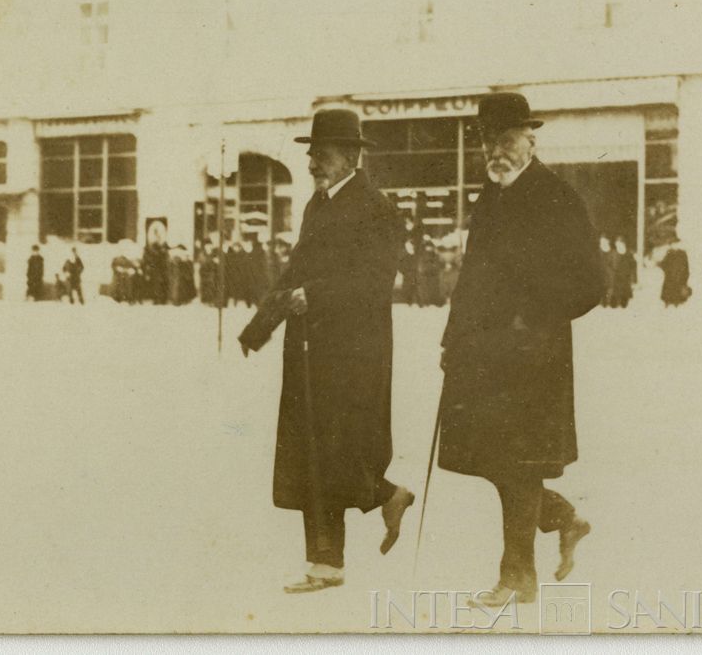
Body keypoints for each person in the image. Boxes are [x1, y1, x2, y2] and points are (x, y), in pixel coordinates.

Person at [239, 108, 415, 594]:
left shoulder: (379, 209)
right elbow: (296, 269)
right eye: (312, 152)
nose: (314, 161)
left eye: (323, 152)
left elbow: (376, 282)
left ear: (352, 155)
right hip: (308, 347)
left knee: (338, 448)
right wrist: (261, 324)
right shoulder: (316, 205)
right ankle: (330, 558)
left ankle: (374, 507)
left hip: (355, 352)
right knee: (311, 450)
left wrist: (316, 296)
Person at [437, 93, 602, 607]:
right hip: (484, 354)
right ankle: (562, 518)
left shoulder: (556, 196)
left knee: (519, 464)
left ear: (531, 139)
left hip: (535, 359)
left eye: (506, 140)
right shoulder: (491, 195)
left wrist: (531, 318)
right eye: (489, 141)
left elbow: (592, 281)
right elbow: (472, 277)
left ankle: (517, 579)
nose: (496, 151)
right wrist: (452, 338)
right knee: (488, 457)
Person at [658, 239, 691, 307]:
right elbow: (664, 263)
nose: (673, 245)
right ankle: (668, 303)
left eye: (675, 244)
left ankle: (676, 304)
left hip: (680, 277)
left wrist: (685, 276)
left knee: (677, 293)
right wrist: (659, 264)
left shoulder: (683, 253)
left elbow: (686, 266)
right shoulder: (669, 253)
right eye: (672, 244)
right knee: (669, 292)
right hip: (670, 277)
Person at [610, 237, 636, 308]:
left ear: (623, 244)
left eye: (619, 244)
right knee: (615, 293)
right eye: (617, 245)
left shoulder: (629, 254)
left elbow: (633, 267)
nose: (618, 246)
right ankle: (614, 304)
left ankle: (623, 303)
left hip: (625, 277)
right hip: (616, 277)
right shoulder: (613, 253)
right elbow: (610, 265)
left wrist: (634, 279)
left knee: (625, 295)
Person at [397, 240, 418, 305]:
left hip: (415, 274)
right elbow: (400, 265)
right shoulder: (404, 255)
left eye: (412, 246)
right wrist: (404, 271)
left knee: (415, 287)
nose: (411, 247)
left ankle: (415, 301)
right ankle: (408, 301)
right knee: (408, 287)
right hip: (407, 274)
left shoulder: (416, 255)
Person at [598, 235, 616, 306]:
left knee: (610, 287)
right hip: (601, 273)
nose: (602, 243)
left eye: (604, 241)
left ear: (608, 242)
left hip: (610, 273)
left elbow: (615, 264)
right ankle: (602, 301)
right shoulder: (598, 252)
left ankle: (609, 301)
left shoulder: (612, 252)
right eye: (601, 242)